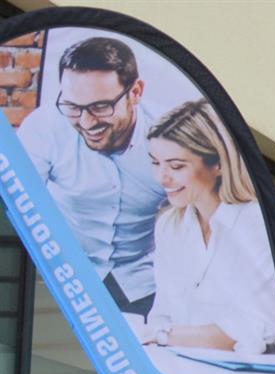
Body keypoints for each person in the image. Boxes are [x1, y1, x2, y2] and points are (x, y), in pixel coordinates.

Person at [16, 34, 165, 314]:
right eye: (73, 106)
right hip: (61, 277)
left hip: (144, 283)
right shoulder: (44, 127)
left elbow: (195, 220)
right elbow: (18, 203)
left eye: (100, 107)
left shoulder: (169, 135)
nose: (86, 122)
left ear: (135, 92)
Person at [138, 99, 275, 356]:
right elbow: (161, 315)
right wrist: (162, 334)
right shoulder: (169, 226)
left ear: (217, 164)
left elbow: (256, 329)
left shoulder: (255, 224)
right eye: (155, 162)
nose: (162, 177)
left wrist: (164, 336)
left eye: (176, 166)